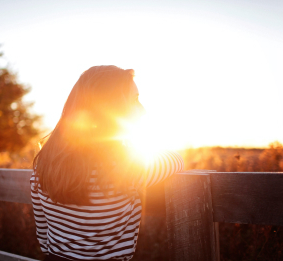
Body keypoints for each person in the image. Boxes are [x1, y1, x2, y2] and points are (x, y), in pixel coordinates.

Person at [30, 65, 184, 261]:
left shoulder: (43, 162)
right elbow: (176, 160)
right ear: (112, 107)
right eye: (135, 99)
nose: (143, 110)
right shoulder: (124, 166)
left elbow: (43, 233)